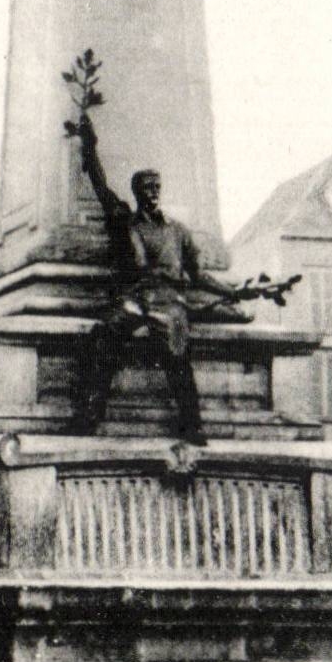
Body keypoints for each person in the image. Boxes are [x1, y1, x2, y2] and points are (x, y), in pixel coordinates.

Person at [73, 112, 230, 445]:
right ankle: (89, 412)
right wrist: (90, 147)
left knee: (177, 351)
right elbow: (101, 186)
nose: (154, 193)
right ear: (137, 192)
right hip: (134, 299)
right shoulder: (124, 221)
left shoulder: (178, 231)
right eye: (147, 188)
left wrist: (231, 292)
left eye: (157, 187)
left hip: (168, 302)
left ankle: (192, 424)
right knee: (103, 336)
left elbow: (198, 274)